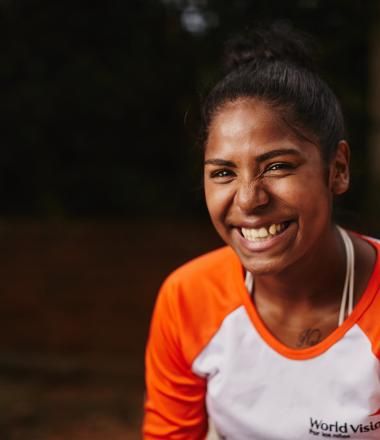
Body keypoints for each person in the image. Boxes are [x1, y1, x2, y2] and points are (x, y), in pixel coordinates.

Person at [143, 22, 380, 439]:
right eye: (223, 172)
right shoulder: (189, 298)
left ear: (337, 169)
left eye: (277, 166)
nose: (249, 199)